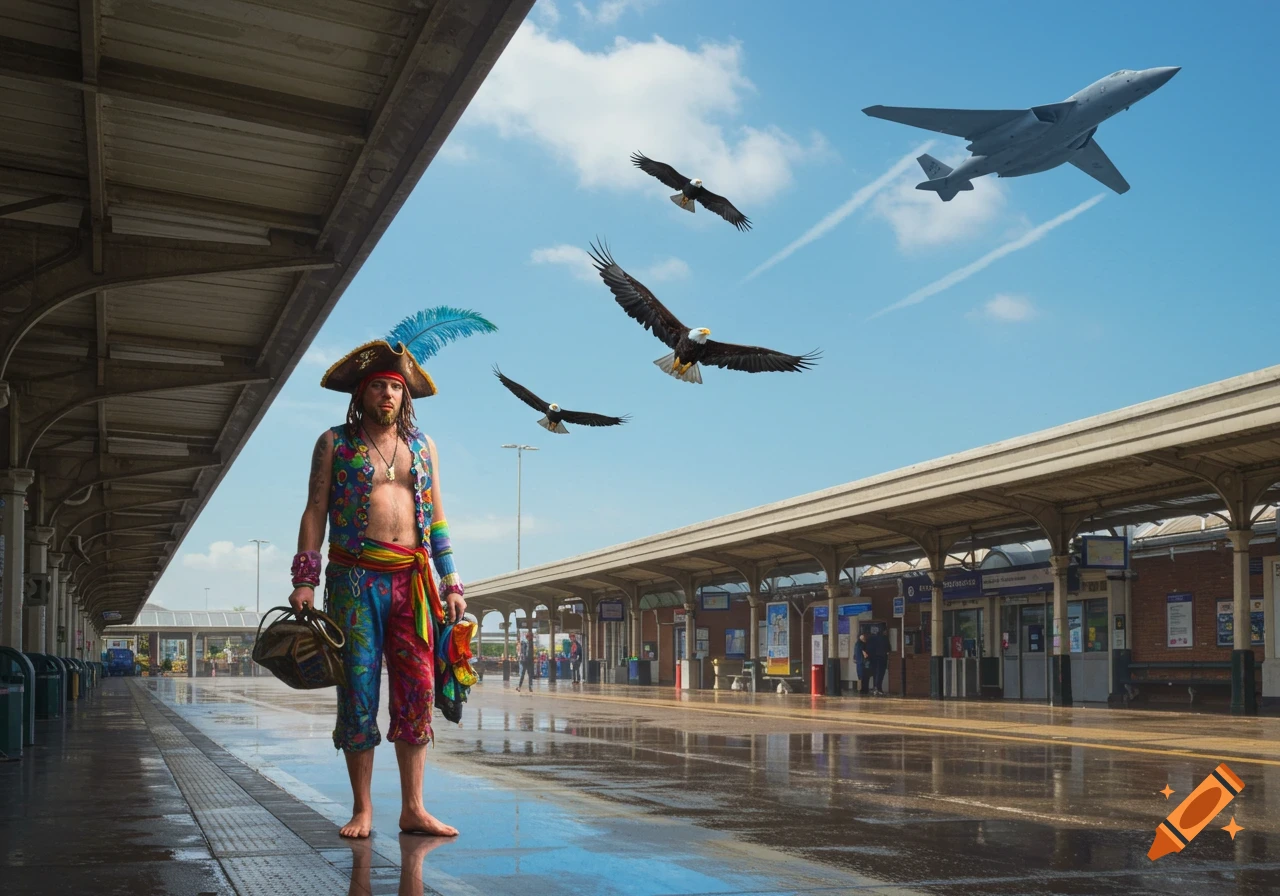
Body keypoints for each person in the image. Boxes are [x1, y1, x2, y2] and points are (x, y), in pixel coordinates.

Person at [287, 314, 482, 841]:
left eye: (395, 387)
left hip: (412, 586)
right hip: (354, 583)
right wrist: (305, 578)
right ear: (361, 392)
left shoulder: (423, 447)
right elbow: (315, 510)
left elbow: (437, 518)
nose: (388, 395)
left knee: (417, 690)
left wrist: (452, 582)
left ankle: (414, 808)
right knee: (358, 690)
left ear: (405, 395)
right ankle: (362, 809)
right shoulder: (334, 443)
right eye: (378, 386)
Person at [869, 628, 890, 696]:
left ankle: (875, 688)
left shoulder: (872, 638)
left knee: (875, 673)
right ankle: (879, 689)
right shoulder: (885, 638)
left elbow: (869, 648)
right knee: (880, 674)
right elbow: (889, 648)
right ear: (883, 631)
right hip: (882, 658)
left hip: (873, 659)